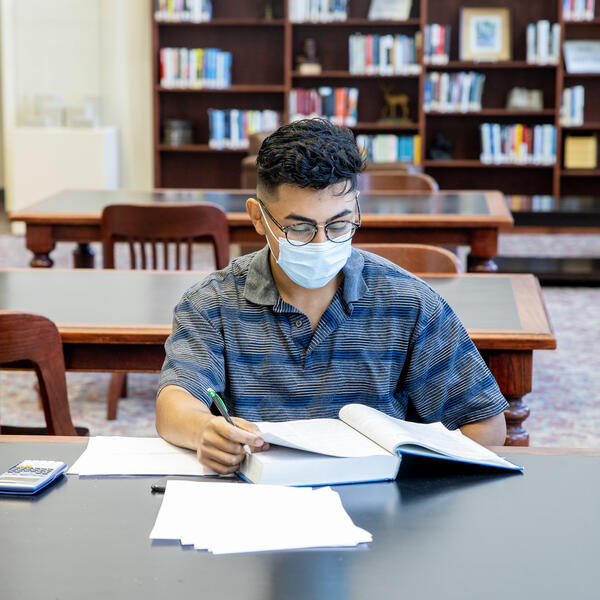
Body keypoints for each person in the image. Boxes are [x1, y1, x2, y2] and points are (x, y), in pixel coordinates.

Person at [156, 118, 508, 474]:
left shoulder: (411, 304)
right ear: (258, 218)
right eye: (300, 228)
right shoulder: (211, 302)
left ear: (356, 208)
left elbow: (485, 425)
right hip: (260, 503)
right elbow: (175, 402)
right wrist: (204, 430)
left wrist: (411, 482)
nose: (323, 242)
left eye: (339, 224)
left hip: (378, 503)